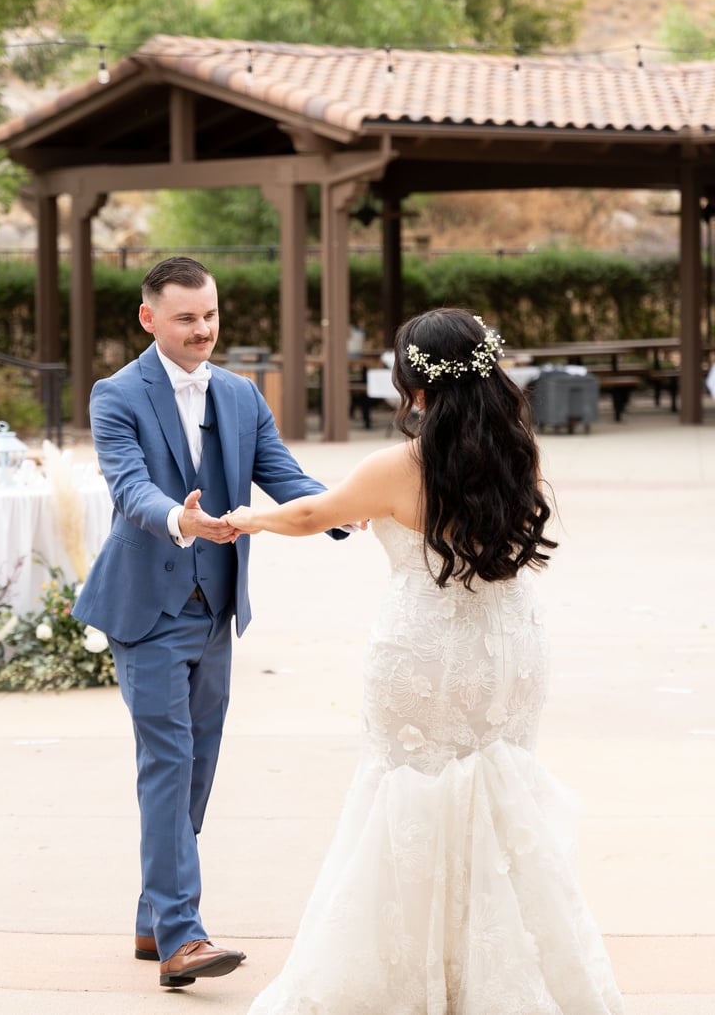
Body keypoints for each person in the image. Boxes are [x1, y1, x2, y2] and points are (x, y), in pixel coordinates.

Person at [228, 308, 624, 1015]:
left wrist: (243, 518)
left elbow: (308, 516)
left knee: (404, 794)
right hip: (510, 649)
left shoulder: (394, 467)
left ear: (412, 385)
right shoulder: (517, 451)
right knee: (499, 793)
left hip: (424, 655)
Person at [72, 255, 348, 989]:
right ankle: (182, 938)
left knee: (195, 769)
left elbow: (286, 477)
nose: (204, 330)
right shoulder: (116, 394)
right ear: (149, 318)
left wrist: (360, 513)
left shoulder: (240, 394)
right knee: (166, 761)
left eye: (211, 315)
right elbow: (130, 487)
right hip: (146, 608)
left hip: (216, 607)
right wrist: (181, 518)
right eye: (187, 318)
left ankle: (151, 917)